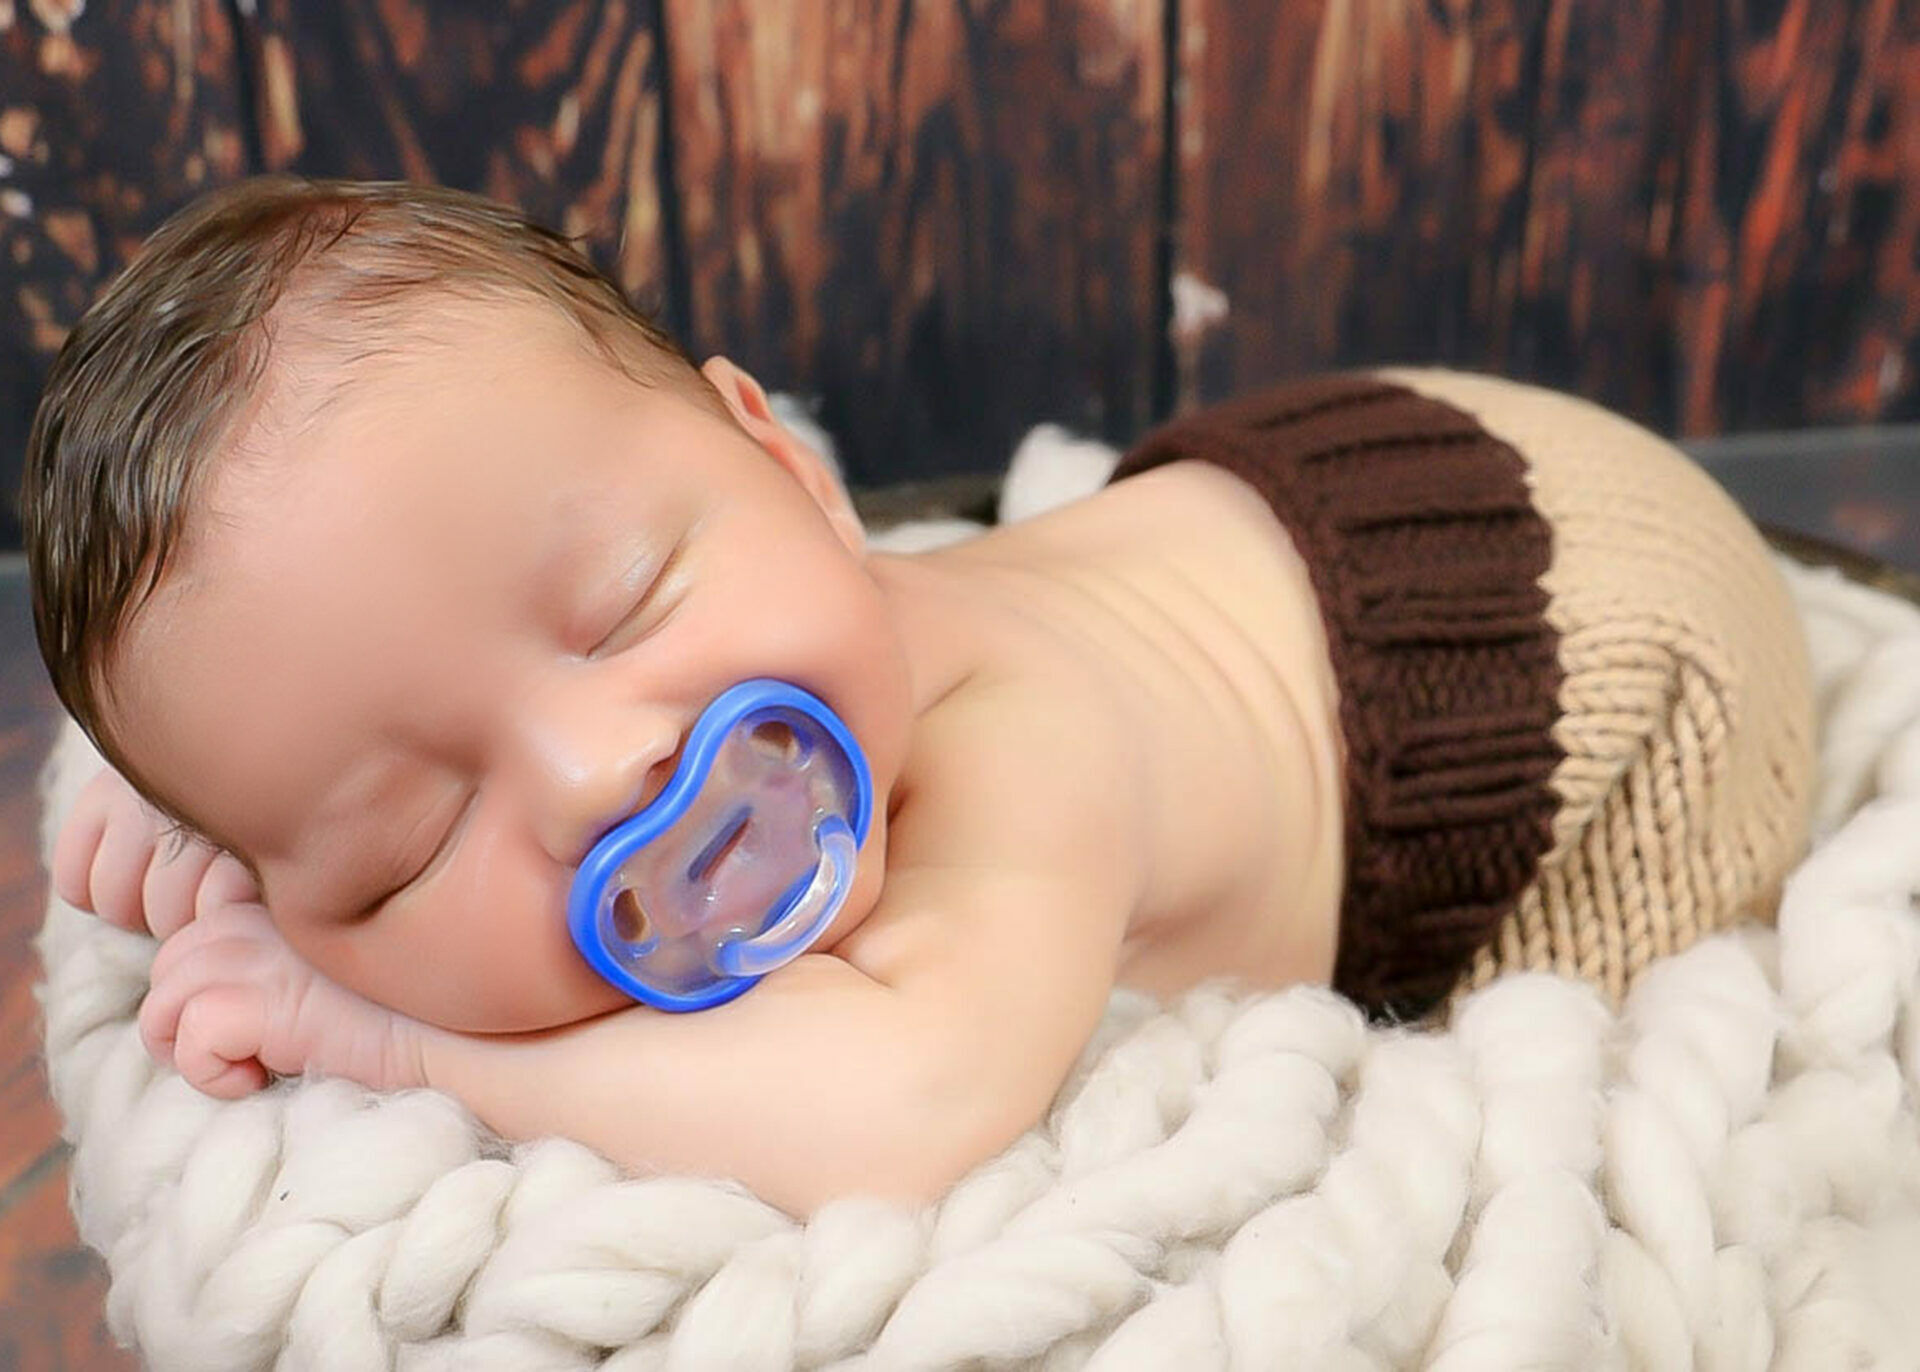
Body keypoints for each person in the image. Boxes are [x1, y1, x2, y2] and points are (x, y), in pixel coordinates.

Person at [25, 177, 1817, 1216]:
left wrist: (387, 1035)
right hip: (1298, 513)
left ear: (793, 472)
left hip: (1593, 684)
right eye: (403, 839)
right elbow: (323, 686)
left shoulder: (1017, 751)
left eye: (627, 600)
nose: (594, 776)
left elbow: (906, 1108)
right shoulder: (737, 612)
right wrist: (229, 812)